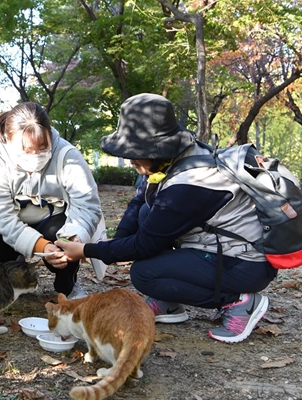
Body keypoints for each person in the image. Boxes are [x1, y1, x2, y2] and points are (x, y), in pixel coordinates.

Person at [58, 93, 278, 343]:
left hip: (244, 263)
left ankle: (240, 302)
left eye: (132, 152)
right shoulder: (174, 158)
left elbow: (144, 245)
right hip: (213, 247)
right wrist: (117, 241)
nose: (129, 159)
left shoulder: (190, 183)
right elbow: (141, 200)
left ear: (154, 150)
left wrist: (86, 250)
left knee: (144, 274)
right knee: (145, 212)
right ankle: (170, 302)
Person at [0, 101, 103, 299]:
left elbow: (87, 207)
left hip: (54, 218)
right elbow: (1, 217)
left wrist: (73, 239)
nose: (35, 156)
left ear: (50, 135)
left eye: (43, 147)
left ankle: (67, 286)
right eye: (26, 149)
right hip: (16, 219)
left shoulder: (68, 156)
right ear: (9, 140)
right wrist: (41, 247)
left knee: (65, 237)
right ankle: (12, 272)